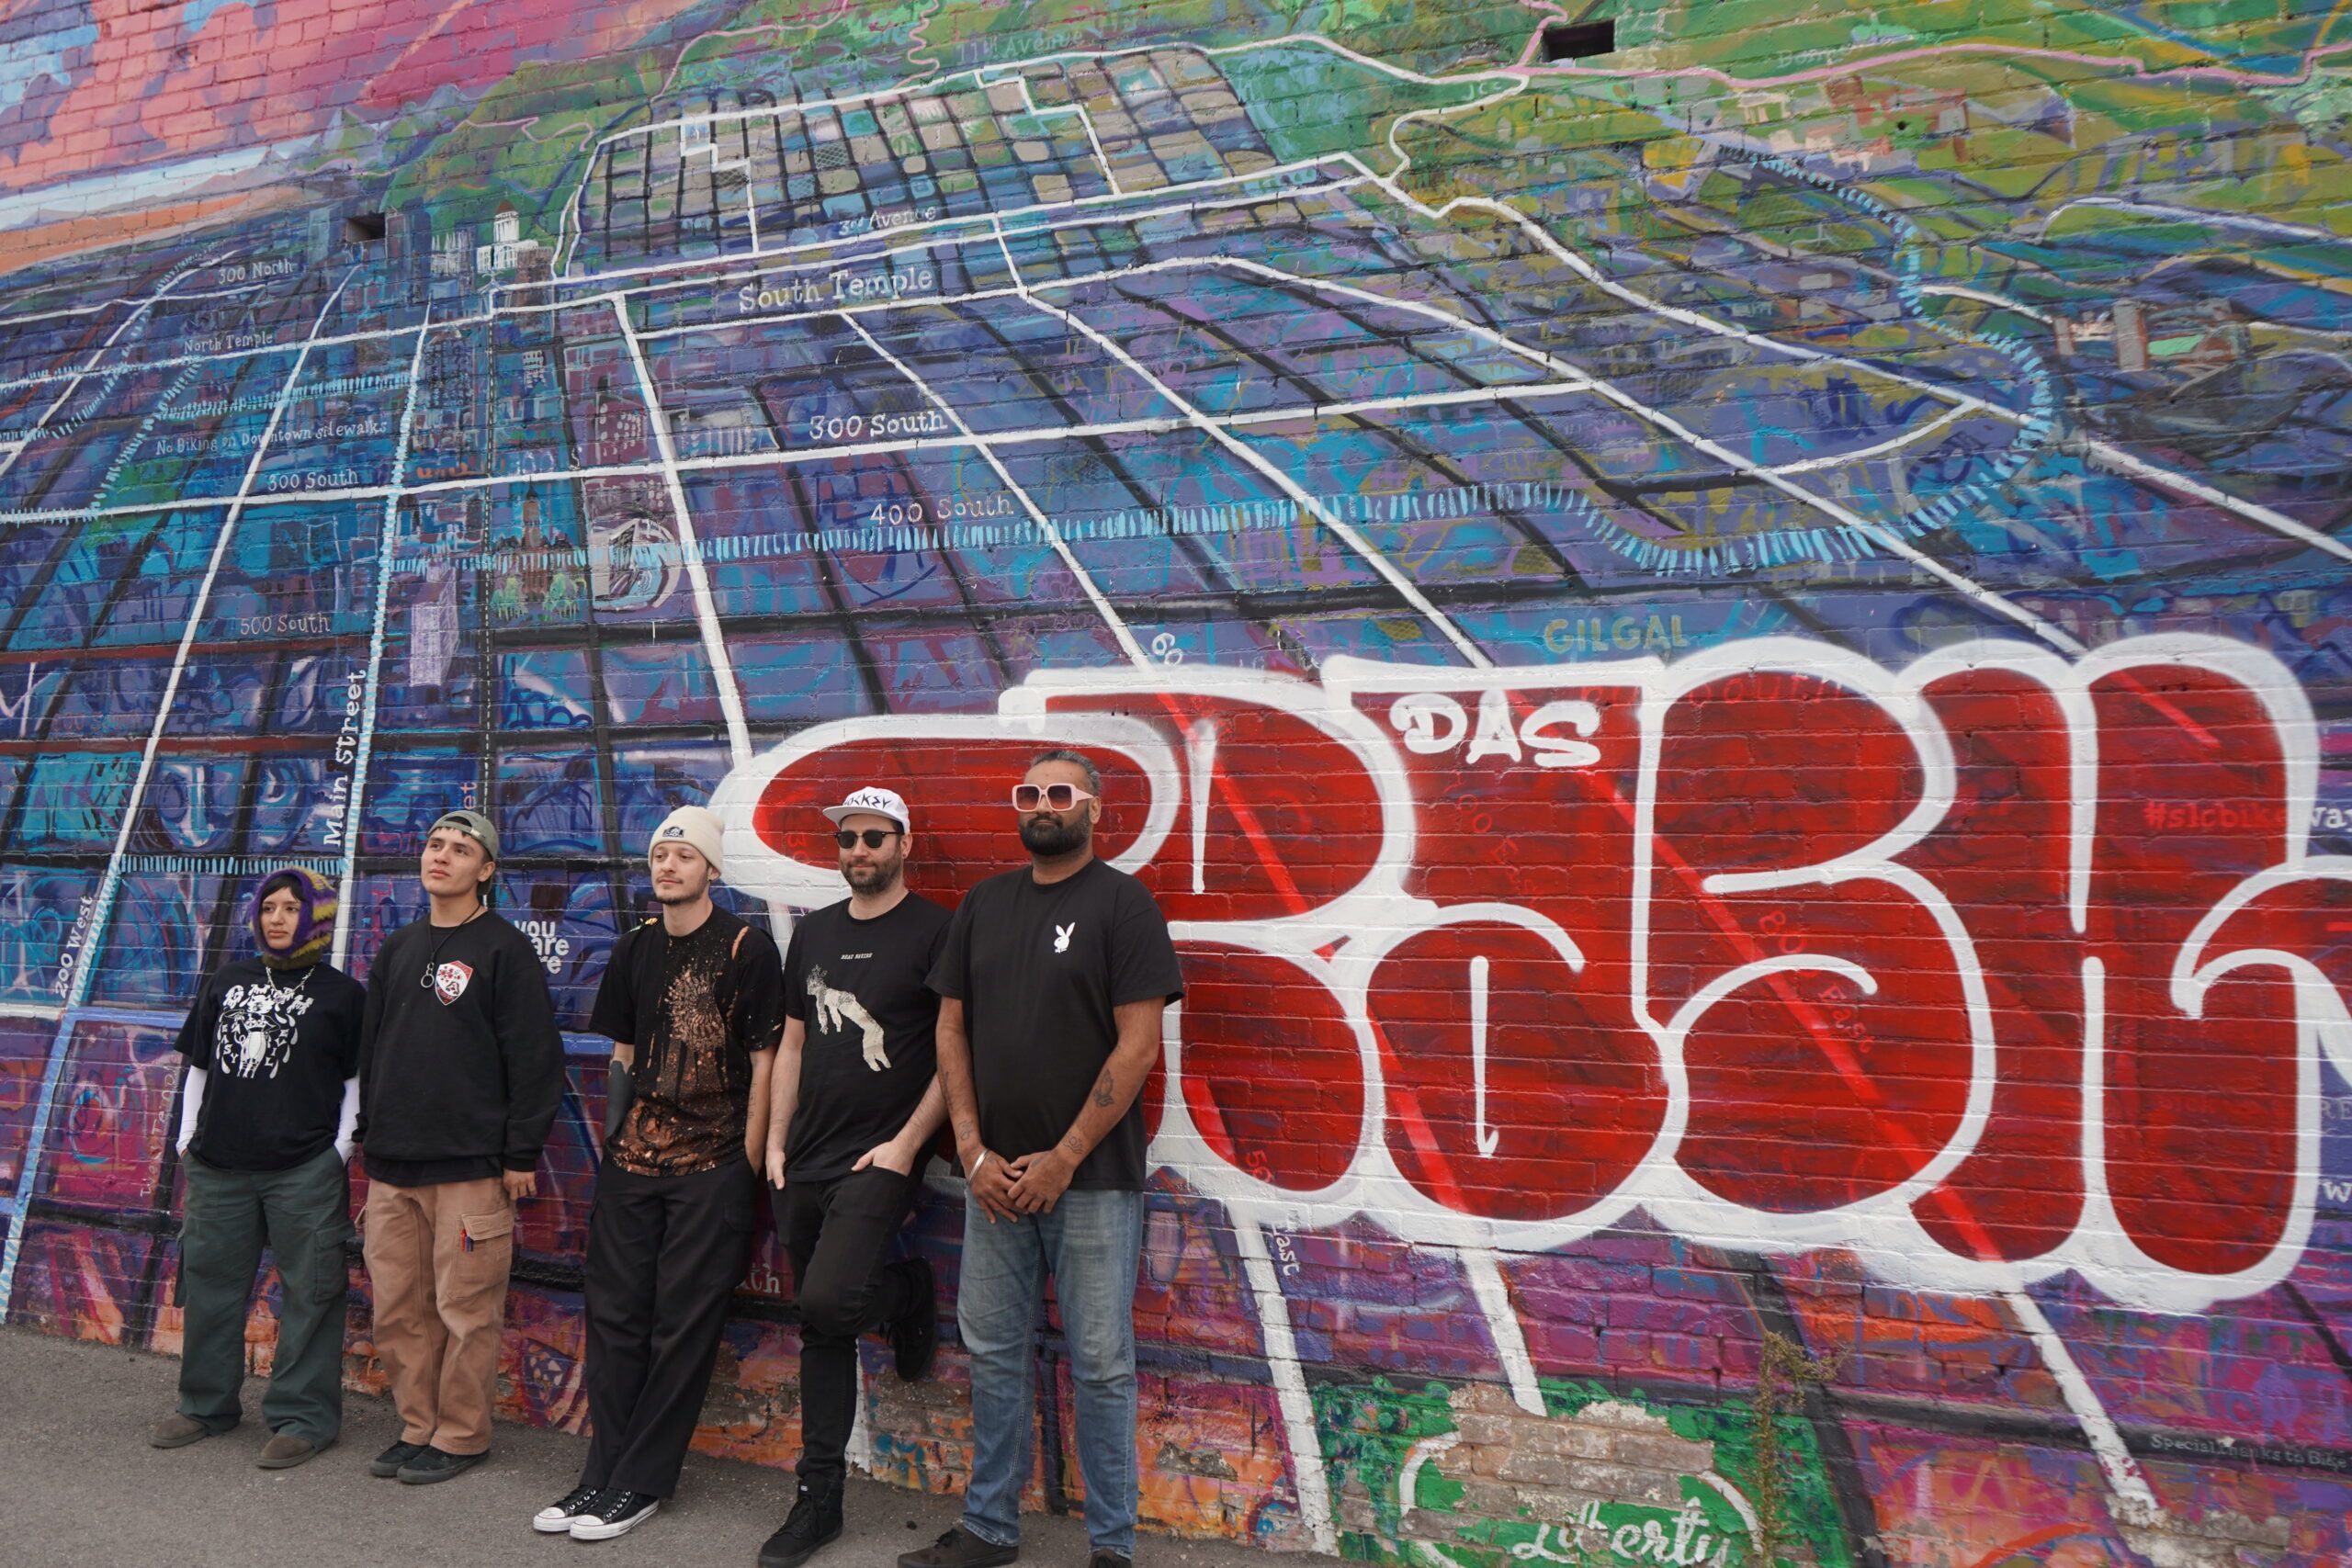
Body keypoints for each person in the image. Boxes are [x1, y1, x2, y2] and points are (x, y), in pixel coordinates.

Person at [902, 751, 1182, 1568]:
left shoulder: (1123, 905)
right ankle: (989, 1527)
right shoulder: (985, 905)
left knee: (1099, 1365)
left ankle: (1112, 1546)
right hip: (992, 1179)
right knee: (992, 1350)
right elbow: (950, 1029)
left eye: (1061, 792)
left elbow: (1138, 1046)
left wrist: (1062, 1156)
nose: (1043, 804)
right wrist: (970, 1148)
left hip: (1090, 1181)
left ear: (1095, 809)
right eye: (1029, 793)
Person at [533, 806, 785, 1543]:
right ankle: (600, 1473)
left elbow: (767, 1057)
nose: (668, 865)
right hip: (635, 1161)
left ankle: (640, 1482)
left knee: (682, 1323)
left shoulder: (747, 946)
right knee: (614, 1315)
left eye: (683, 854)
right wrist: (615, 1135)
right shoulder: (635, 948)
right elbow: (619, 1048)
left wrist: (748, 1152)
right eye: (659, 854)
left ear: (711, 868)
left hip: (713, 1162)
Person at [759, 785, 951, 1568]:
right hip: (804, 1154)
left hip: (882, 1156)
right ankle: (820, 1502)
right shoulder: (814, 934)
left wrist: (908, 1144)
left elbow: (953, 1049)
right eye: (848, 839)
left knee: (829, 1300)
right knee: (821, 1325)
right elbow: (795, 1044)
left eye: (875, 837)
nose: (859, 850)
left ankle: (906, 1292)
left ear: (904, 843)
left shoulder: (938, 929)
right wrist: (774, 1143)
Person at [356, 808, 563, 1485]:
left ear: (487, 869)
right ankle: (418, 1426)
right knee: (399, 1310)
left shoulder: (503, 948)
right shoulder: (399, 947)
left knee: (466, 1310)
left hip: (471, 1165)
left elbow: (534, 1057)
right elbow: (374, 1047)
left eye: (461, 848)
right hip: (393, 1162)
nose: (441, 856)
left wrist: (520, 1154)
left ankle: (462, 1434)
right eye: (435, 844)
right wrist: (367, 1134)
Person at [152, 866, 367, 1469]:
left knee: (312, 1292)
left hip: (304, 1168)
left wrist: (338, 1152)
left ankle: (303, 1418)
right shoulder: (226, 980)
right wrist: (187, 1139)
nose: (277, 916)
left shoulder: (343, 995)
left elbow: (356, 1082)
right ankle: (204, 1405)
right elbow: (198, 1064)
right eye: (269, 906)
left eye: (291, 907)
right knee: (212, 1288)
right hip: (219, 1166)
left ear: (316, 917)